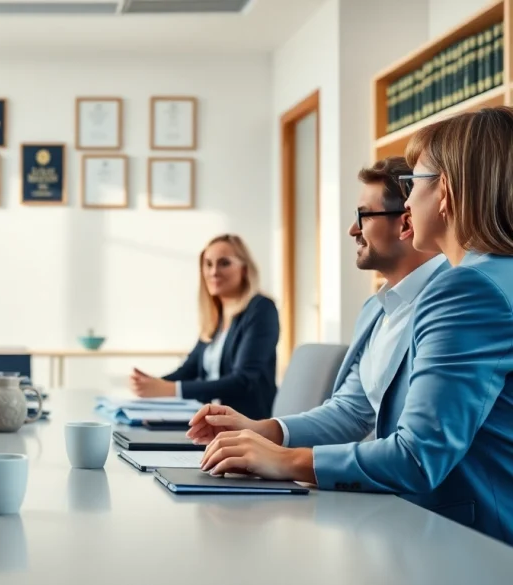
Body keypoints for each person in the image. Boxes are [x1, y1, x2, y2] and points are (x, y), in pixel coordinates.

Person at [195, 109, 513, 545]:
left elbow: (417, 457)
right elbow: (356, 409)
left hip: (470, 539)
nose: (408, 200)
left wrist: (286, 460)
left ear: (446, 192)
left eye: (414, 184)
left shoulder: (466, 287)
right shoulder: (490, 277)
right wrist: (264, 435)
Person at [187, 157, 446, 448]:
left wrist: (288, 463)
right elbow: (350, 414)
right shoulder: (374, 309)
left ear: (406, 223)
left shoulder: (452, 303)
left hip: (412, 487)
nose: (352, 229)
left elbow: (420, 449)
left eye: (364, 216)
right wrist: (256, 430)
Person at [129, 234, 279, 420]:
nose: (213, 271)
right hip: (209, 421)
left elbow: (243, 381)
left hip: (245, 425)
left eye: (224, 263)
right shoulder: (216, 316)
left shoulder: (261, 309)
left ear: (244, 269)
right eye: (208, 264)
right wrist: (153, 383)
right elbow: (189, 369)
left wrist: (170, 389)